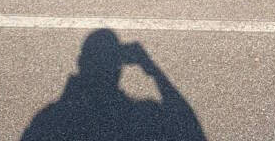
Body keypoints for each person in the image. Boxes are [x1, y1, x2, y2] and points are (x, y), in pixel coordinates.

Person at [21, 29, 205, 140]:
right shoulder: (142, 115)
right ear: (119, 69)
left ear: (80, 62)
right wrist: (151, 68)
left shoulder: (49, 119)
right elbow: (189, 128)